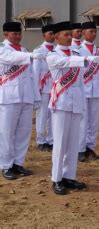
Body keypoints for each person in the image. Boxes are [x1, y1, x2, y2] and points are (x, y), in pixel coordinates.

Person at [46, 21, 99, 195]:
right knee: (60, 142)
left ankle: (69, 176)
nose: (70, 37)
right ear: (56, 37)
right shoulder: (53, 55)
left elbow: (81, 75)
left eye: (71, 34)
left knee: (73, 142)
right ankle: (56, 179)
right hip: (61, 102)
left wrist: (84, 58)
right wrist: (85, 59)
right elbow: (66, 62)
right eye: (66, 34)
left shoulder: (76, 52)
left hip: (77, 101)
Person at [0, 21, 42, 180]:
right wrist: (31, 55)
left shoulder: (24, 50)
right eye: (14, 34)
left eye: (19, 34)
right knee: (6, 133)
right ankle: (5, 165)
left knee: (24, 132)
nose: (18, 37)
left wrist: (36, 97)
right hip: (9, 97)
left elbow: (32, 76)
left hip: (26, 96)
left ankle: (18, 163)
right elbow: (12, 59)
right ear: (6, 34)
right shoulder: (3, 49)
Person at [78, 22, 99, 162]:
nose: (93, 34)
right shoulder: (77, 50)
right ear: (83, 33)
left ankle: (91, 148)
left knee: (94, 121)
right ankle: (80, 150)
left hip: (95, 89)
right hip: (83, 89)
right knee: (83, 120)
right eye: (90, 31)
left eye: (95, 31)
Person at [32, 24, 56, 152]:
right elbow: (35, 72)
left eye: (54, 34)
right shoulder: (39, 51)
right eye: (50, 34)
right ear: (44, 35)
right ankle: (41, 141)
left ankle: (51, 140)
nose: (52, 36)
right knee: (42, 115)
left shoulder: (57, 50)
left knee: (53, 115)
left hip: (55, 87)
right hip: (43, 87)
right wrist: (36, 90)